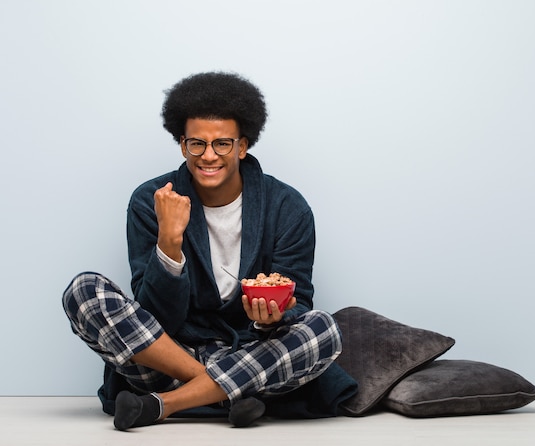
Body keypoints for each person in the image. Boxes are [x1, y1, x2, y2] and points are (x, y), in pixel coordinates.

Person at [62, 71, 356, 431]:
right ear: (182, 143)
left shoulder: (287, 207)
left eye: (222, 144)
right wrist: (169, 242)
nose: (209, 156)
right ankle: (223, 394)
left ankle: (162, 407)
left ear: (242, 146)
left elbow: (301, 305)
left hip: (251, 354)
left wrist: (272, 318)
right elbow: (154, 317)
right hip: (170, 359)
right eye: (197, 144)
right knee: (84, 292)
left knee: (323, 328)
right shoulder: (151, 201)